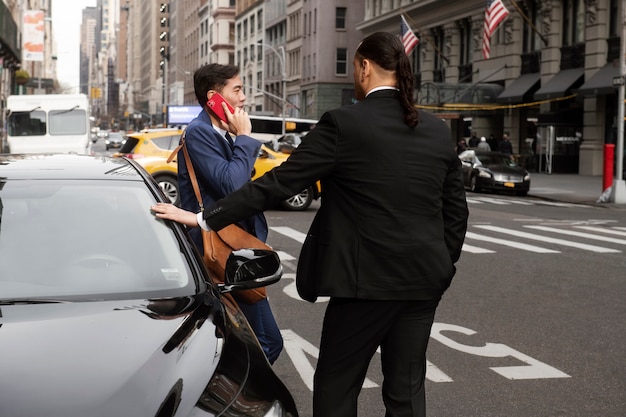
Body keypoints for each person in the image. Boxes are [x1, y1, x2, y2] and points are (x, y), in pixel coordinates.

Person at [152, 32, 469, 417]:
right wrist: (442, 264)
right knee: (406, 390)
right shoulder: (436, 129)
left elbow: (279, 182)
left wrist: (204, 217)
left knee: (337, 387)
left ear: (364, 67)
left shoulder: (343, 124)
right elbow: (455, 211)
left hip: (362, 284)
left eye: (355, 66)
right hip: (423, 282)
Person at [177, 63, 283, 365]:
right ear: (214, 97)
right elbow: (231, 185)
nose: (244, 98)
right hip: (223, 253)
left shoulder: (218, 133)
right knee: (265, 341)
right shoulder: (200, 132)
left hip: (235, 247)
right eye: (237, 90)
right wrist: (245, 138)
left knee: (254, 339)